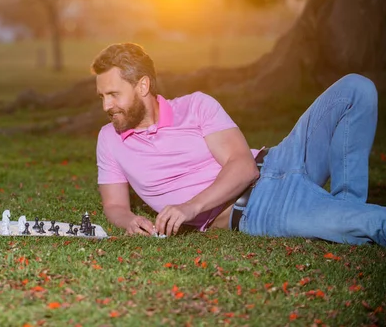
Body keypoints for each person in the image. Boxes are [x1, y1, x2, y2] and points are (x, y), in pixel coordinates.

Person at [92, 42, 385, 246]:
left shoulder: (196, 106)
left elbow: (244, 167)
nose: (106, 105)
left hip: (281, 159)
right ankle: (346, 216)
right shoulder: (110, 139)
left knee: (356, 88)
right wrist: (129, 220)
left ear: (142, 86)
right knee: (376, 222)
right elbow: (115, 204)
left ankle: (345, 208)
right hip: (259, 208)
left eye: (114, 94)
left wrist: (189, 208)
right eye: (102, 96)